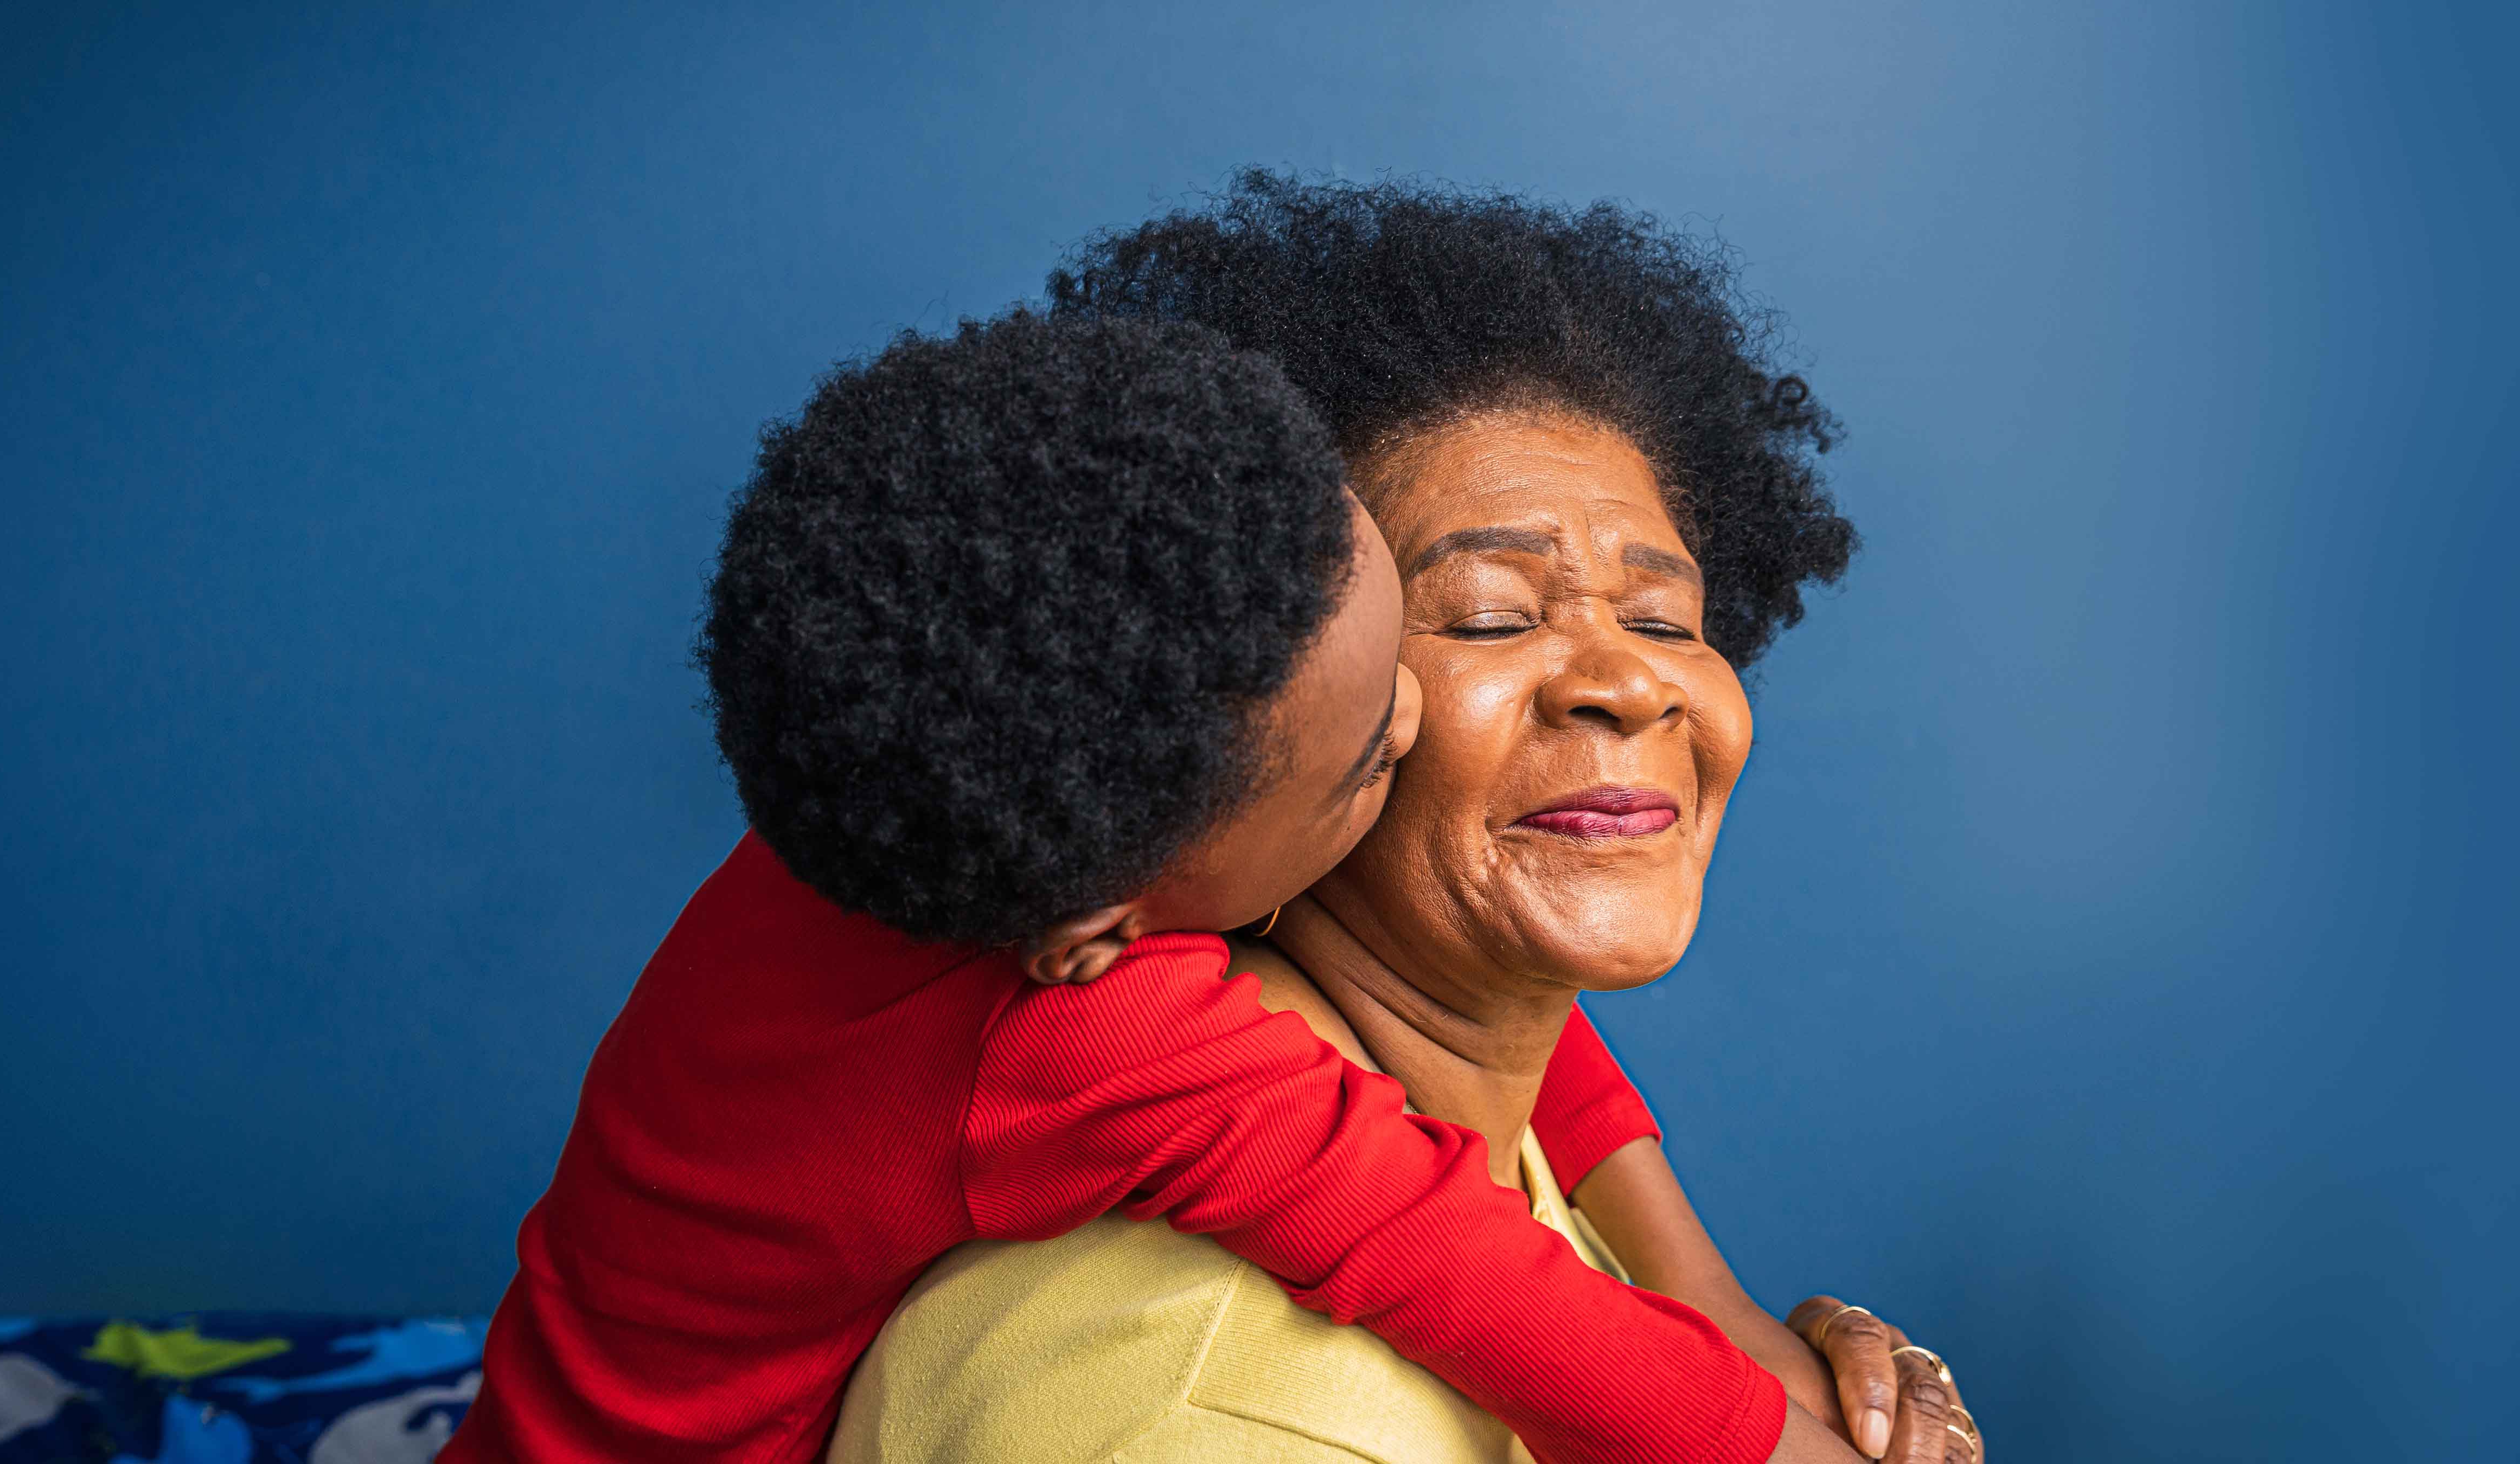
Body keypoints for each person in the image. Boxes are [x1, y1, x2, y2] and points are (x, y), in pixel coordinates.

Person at [446, 309, 1847, 1464]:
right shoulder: (1095, 1045)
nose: (1411, 723)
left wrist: (1707, 1290)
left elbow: (1493, 1007)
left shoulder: (952, 766)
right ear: (1103, 931)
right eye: (1371, 756)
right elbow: (1473, 1281)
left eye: (1667, 619)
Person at [826, 174, 1981, 1464]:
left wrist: (1708, 1311)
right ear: (1238, 716)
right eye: (1489, 616)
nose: (1629, 678)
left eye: (1666, 623)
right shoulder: (1204, 1398)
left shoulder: (1463, 1073)